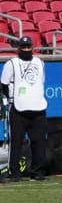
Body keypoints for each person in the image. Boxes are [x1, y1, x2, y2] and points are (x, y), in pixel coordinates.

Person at [1, 36, 48, 181]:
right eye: (24, 47)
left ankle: (37, 172)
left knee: (39, 142)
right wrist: (12, 99)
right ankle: (14, 173)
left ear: (32, 48)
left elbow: (41, 82)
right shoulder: (11, 64)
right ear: (18, 49)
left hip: (38, 108)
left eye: (29, 47)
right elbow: (4, 84)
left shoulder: (40, 62)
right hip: (18, 109)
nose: (26, 50)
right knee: (16, 142)